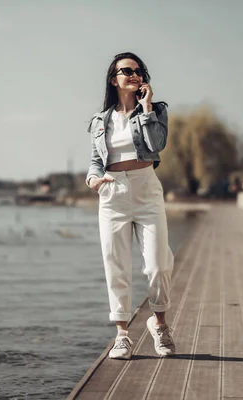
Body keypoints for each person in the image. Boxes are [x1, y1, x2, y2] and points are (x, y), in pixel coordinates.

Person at [86, 52, 175, 360]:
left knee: (157, 264)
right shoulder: (101, 120)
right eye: (127, 70)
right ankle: (122, 334)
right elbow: (97, 161)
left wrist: (147, 107)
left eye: (138, 70)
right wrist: (93, 179)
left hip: (146, 188)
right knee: (116, 266)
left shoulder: (155, 110)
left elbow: (155, 145)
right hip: (112, 195)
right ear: (114, 79)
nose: (134, 74)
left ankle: (159, 324)